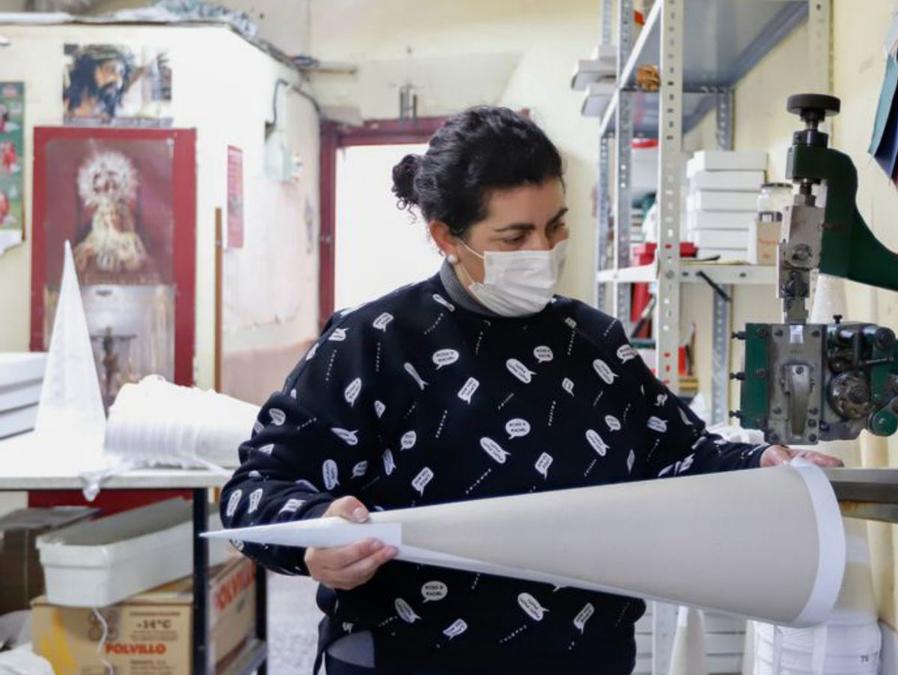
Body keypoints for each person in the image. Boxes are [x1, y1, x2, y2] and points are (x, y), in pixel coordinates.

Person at [219, 107, 840, 675]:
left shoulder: (592, 343)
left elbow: (674, 454)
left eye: (555, 226)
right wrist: (314, 533)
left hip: (583, 657)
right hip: (410, 657)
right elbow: (254, 492)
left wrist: (759, 461)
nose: (543, 252)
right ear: (445, 237)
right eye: (514, 238)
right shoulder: (375, 343)